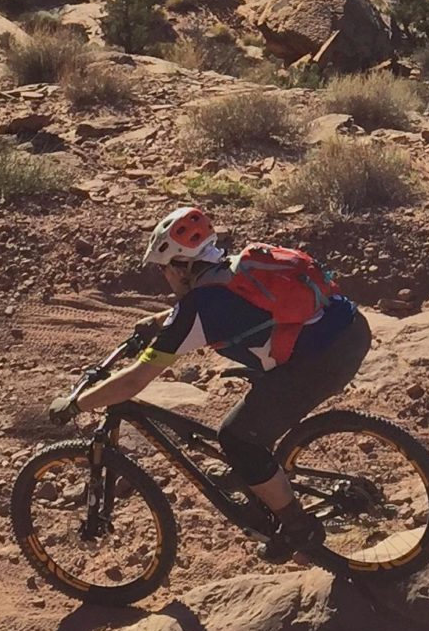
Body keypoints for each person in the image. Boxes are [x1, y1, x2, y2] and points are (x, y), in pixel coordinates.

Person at [60, 205, 371, 559]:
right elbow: (223, 304)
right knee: (254, 428)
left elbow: (134, 381)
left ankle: (297, 527)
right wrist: (160, 322)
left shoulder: (198, 310)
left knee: (237, 438)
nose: (165, 277)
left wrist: (77, 403)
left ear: (180, 266)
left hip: (322, 359)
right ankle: (258, 481)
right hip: (351, 329)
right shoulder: (236, 265)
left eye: (165, 269)